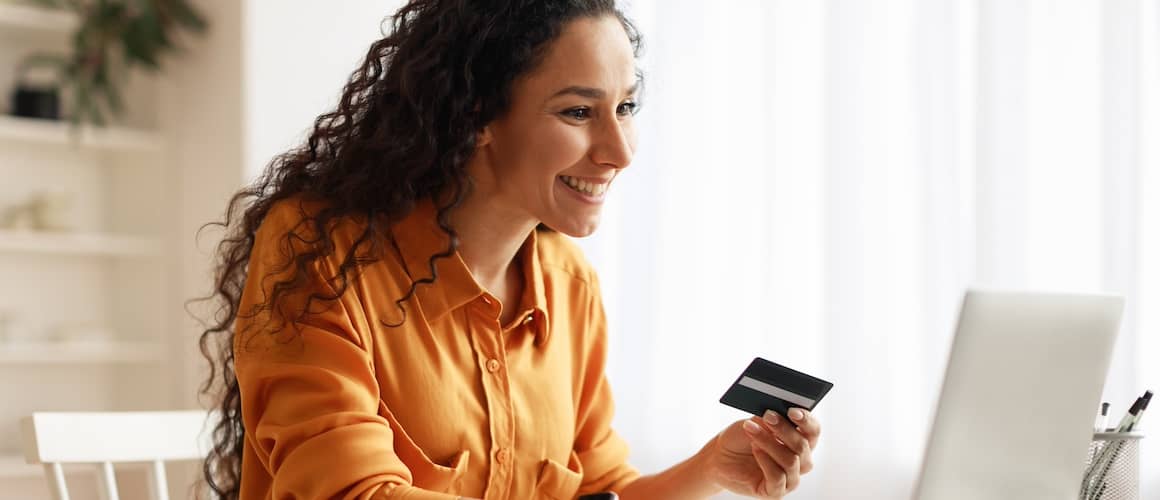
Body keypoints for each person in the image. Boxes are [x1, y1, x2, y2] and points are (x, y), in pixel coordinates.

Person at [198, 1, 822, 499]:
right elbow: (348, 491)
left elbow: (602, 490)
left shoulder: (569, 285)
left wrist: (714, 469)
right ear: (478, 116)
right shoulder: (320, 251)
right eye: (579, 110)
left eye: (625, 107)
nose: (620, 151)